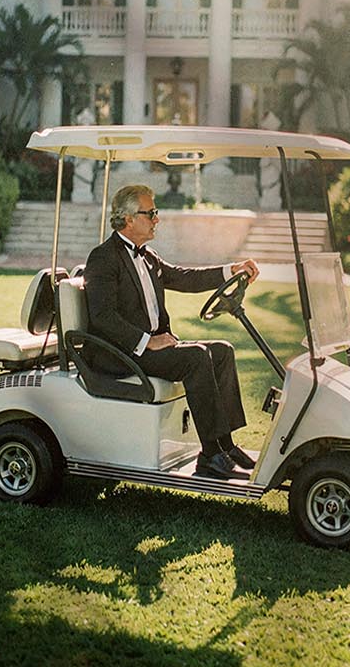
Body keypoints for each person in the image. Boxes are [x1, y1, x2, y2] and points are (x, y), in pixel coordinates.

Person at [83, 183, 260, 481]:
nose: (157, 219)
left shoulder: (148, 257)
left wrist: (233, 269)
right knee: (196, 357)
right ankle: (209, 455)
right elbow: (102, 317)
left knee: (222, 351)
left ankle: (225, 446)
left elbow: (186, 278)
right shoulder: (104, 258)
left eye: (156, 212)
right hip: (122, 354)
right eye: (150, 213)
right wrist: (148, 342)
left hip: (148, 349)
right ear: (128, 219)